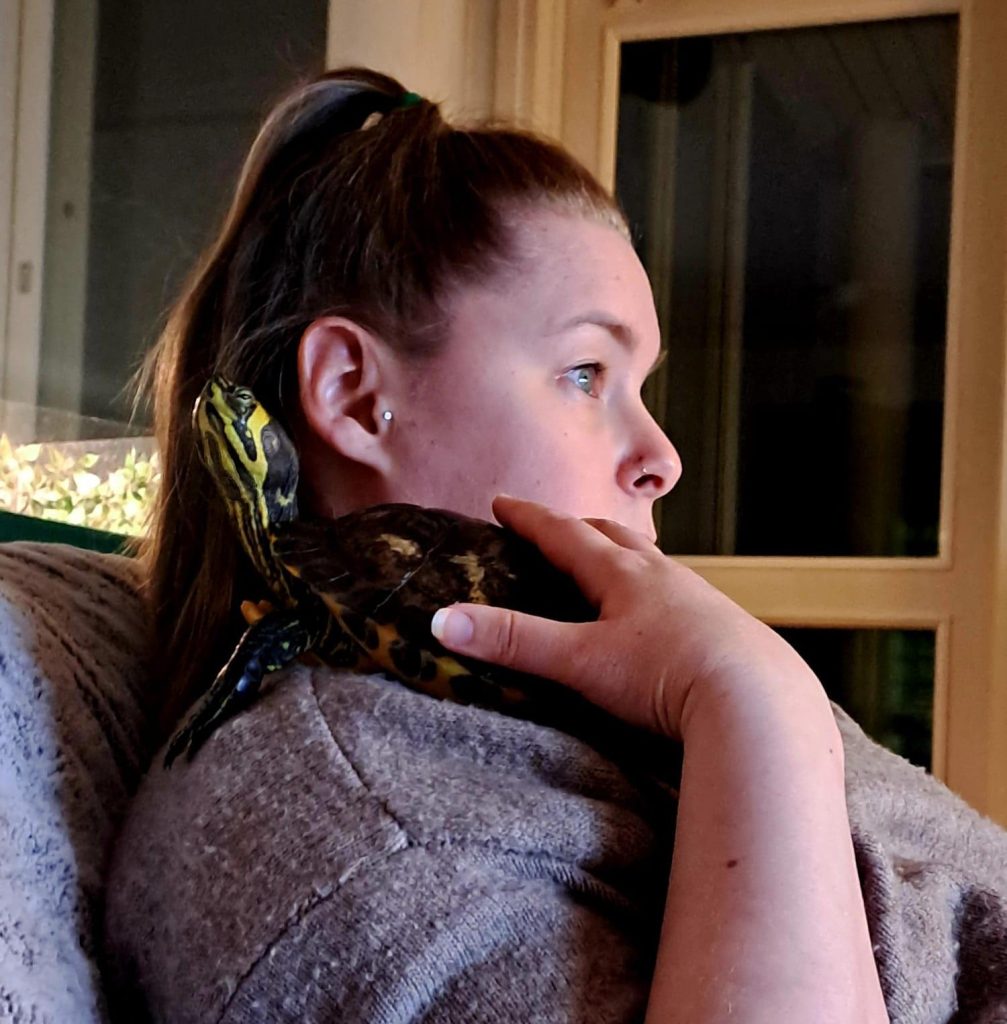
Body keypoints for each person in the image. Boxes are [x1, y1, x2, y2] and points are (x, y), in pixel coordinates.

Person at [102, 67, 1005, 1024]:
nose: (662, 459)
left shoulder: (631, 690)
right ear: (356, 397)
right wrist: (758, 703)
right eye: (585, 373)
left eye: (637, 386)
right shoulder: (351, 846)